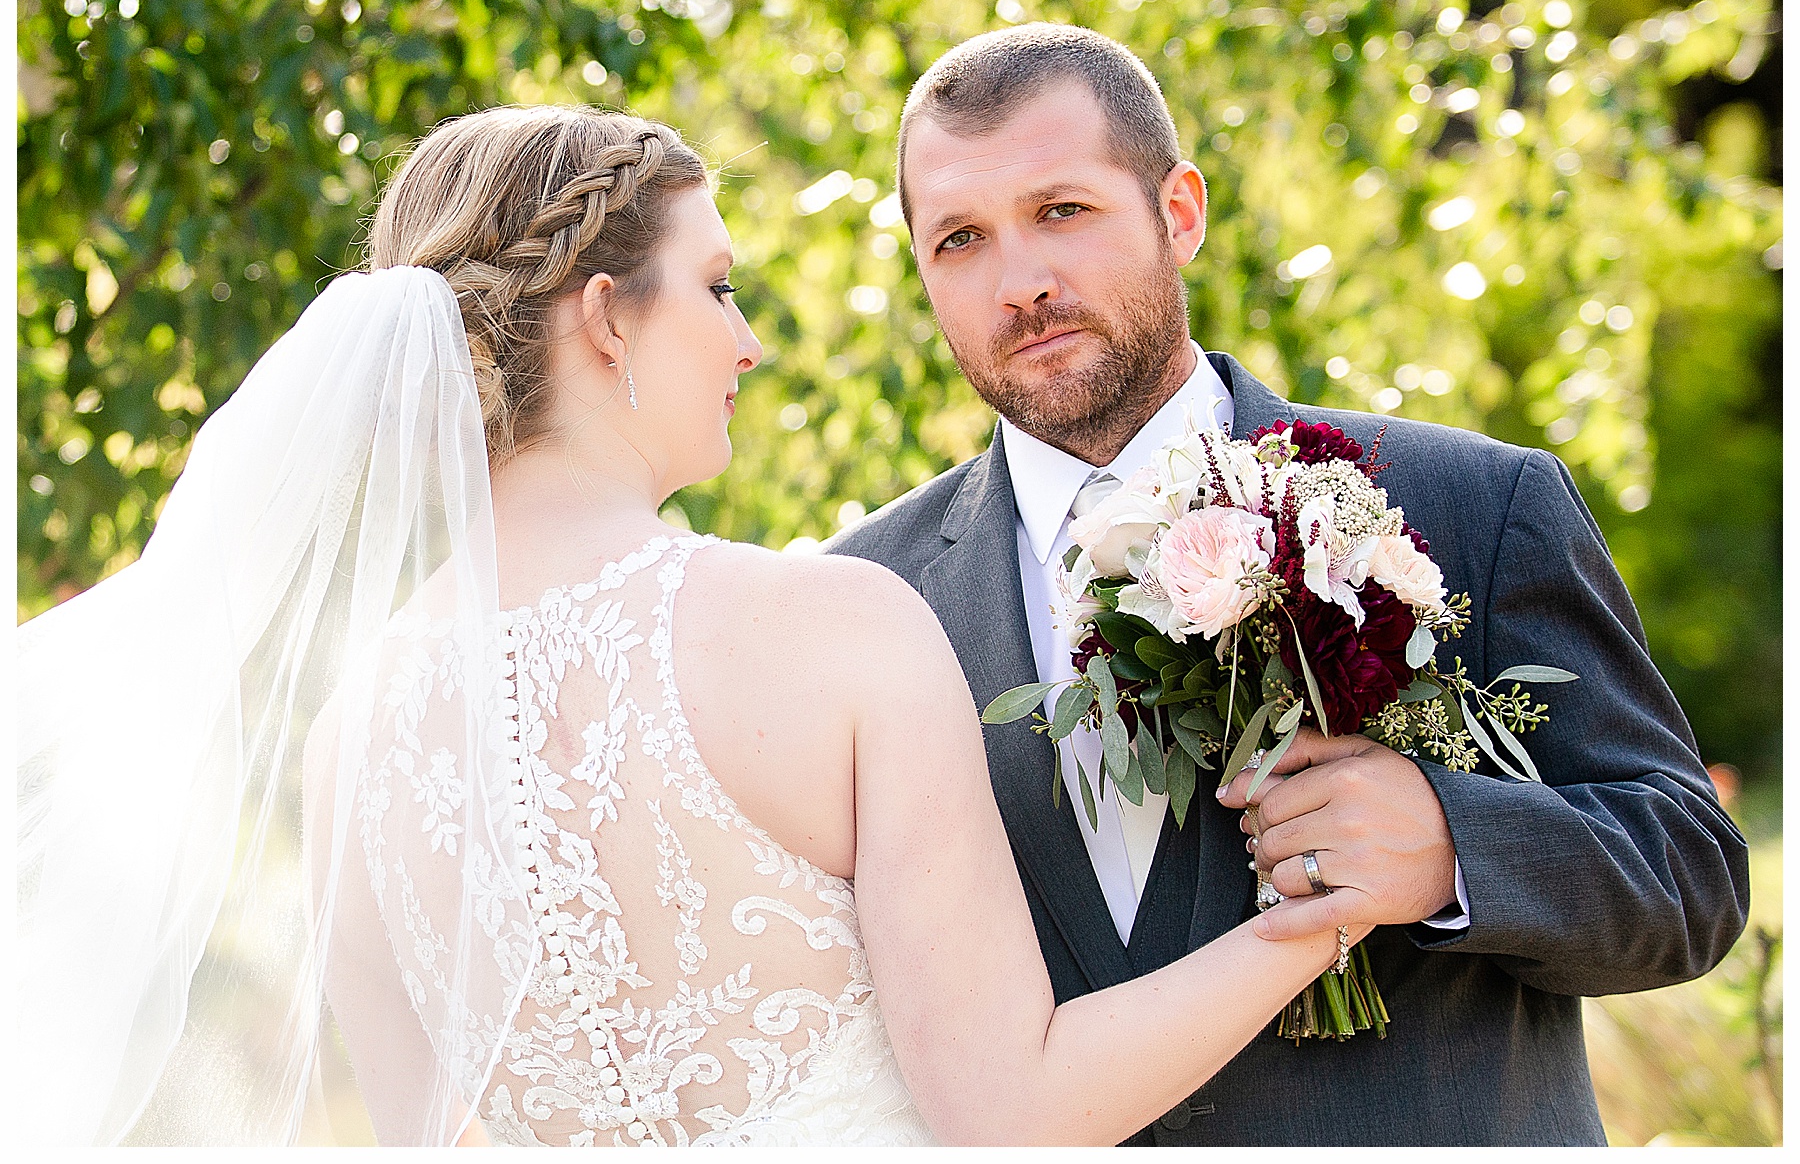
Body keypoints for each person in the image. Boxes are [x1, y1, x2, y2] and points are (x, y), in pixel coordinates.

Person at [21, 104, 1382, 1150]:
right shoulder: (838, 625)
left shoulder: (345, 744)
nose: (747, 341)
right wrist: (1317, 921)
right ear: (606, 316)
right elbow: (1007, 1113)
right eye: (718, 286)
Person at [833, 22, 1747, 1145]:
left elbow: (1692, 875)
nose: (1020, 282)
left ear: (1180, 211)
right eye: (959, 240)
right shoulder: (860, 600)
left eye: (1061, 211)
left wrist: (1455, 847)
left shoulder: (1474, 502)